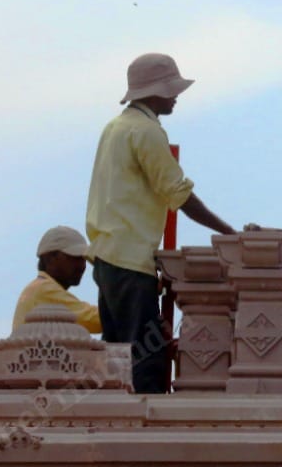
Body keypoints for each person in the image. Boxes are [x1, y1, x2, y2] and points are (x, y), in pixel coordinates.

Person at [85, 53, 235, 394]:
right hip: (130, 258)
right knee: (144, 357)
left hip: (109, 256)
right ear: (153, 92)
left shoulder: (116, 127)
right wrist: (231, 234)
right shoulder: (146, 131)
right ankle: (143, 431)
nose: (175, 97)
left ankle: (119, 425)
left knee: (117, 355)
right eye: (171, 90)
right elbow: (179, 196)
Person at [13, 226, 101, 333]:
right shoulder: (44, 289)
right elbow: (96, 319)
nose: (82, 266)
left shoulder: (37, 288)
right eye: (74, 258)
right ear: (49, 258)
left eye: (83, 259)